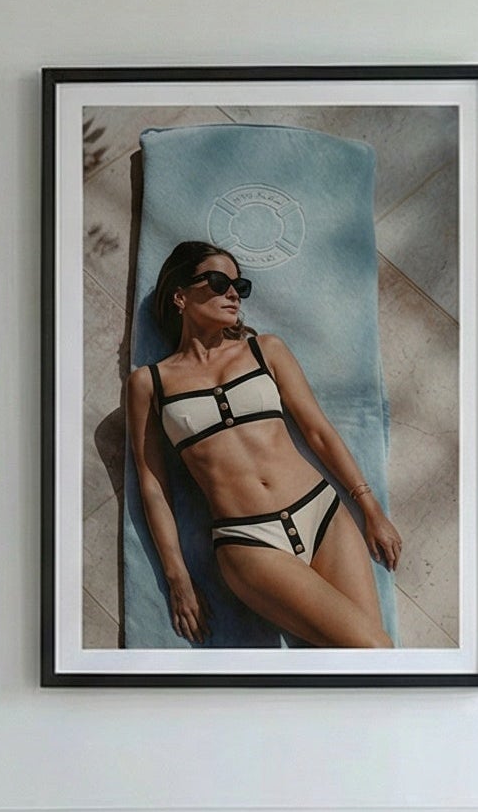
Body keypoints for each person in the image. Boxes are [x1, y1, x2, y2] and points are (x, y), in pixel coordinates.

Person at [125, 240, 401, 649]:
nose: (233, 294)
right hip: (249, 542)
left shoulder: (265, 349)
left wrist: (371, 509)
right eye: (218, 282)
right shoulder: (149, 383)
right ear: (180, 296)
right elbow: (153, 484)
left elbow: (318, 432)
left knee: (370, 661)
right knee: (374, 651)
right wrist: (177, 577)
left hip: (323, 514)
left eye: (240, 286)